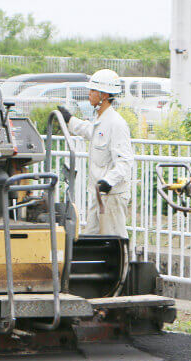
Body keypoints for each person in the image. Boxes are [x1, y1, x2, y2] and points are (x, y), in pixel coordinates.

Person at [56, 69, 134, 238]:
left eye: (92, 91)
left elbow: (125, 161)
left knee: (115, 240)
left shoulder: (116, 124)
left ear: (104, 95)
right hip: (99, 195)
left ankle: (125, 264)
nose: (89, 94)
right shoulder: (102, 120)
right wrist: (70, 119)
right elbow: (91, 131)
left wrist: (108, 181)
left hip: (111, 196)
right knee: (92, 237)